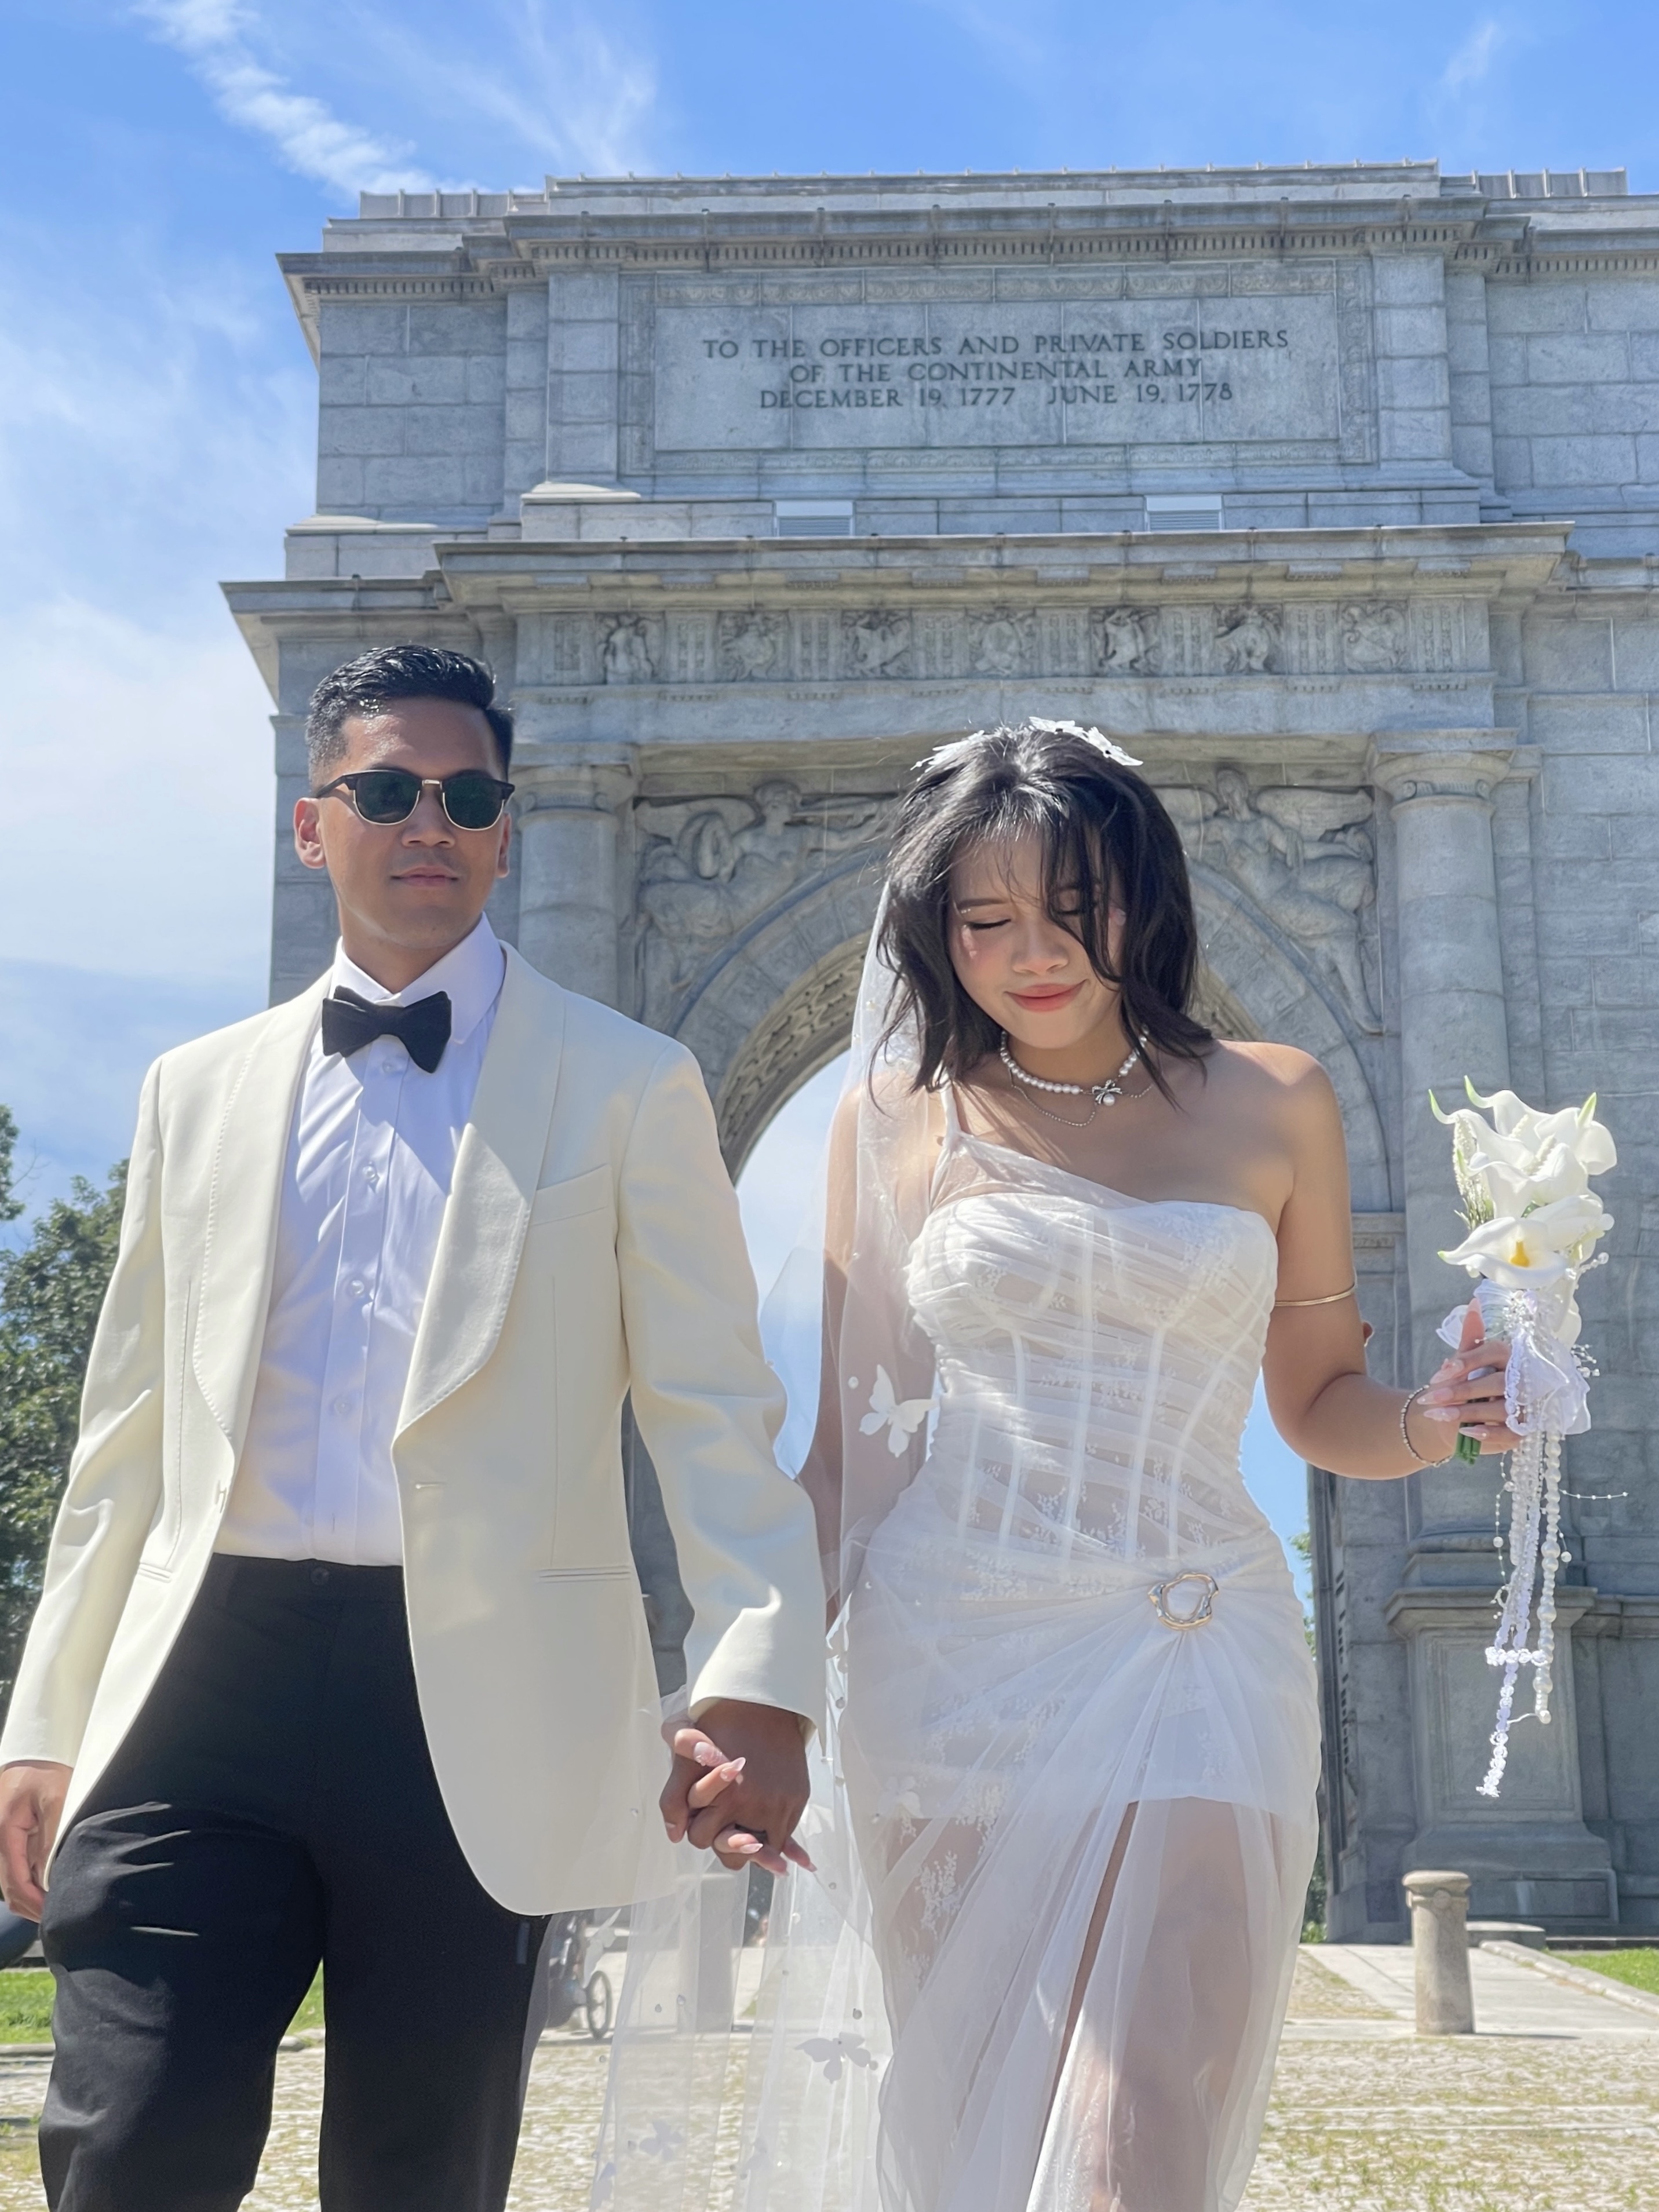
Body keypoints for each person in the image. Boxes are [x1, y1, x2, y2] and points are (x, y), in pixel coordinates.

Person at [0, 644, 824, 2211]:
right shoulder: (193, 1088)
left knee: (419, 2177)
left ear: (508, 829)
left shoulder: (633, 1086)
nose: (426, 819)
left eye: (465, 795)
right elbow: (124, 1443)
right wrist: (46, 1716)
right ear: (312, 824)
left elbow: (716, 1410)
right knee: (130, 2145)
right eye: (385, 789)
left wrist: (763, 1676)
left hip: (478, 1698)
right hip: (201, 1685)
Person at [659, 721, 1515, 2212]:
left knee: (1137, 2120)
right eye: (985, 920)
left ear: (1147, 895)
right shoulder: (888, 1121)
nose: (1034, 952)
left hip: (1196, 1644)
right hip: (951, 1657)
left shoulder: (1278, 1098)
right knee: (971, 2118)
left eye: (1075, 907)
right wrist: (756, 1695)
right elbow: (849, 1465)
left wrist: (1434, 1417)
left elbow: (1316, 1401)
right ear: (935, 931)